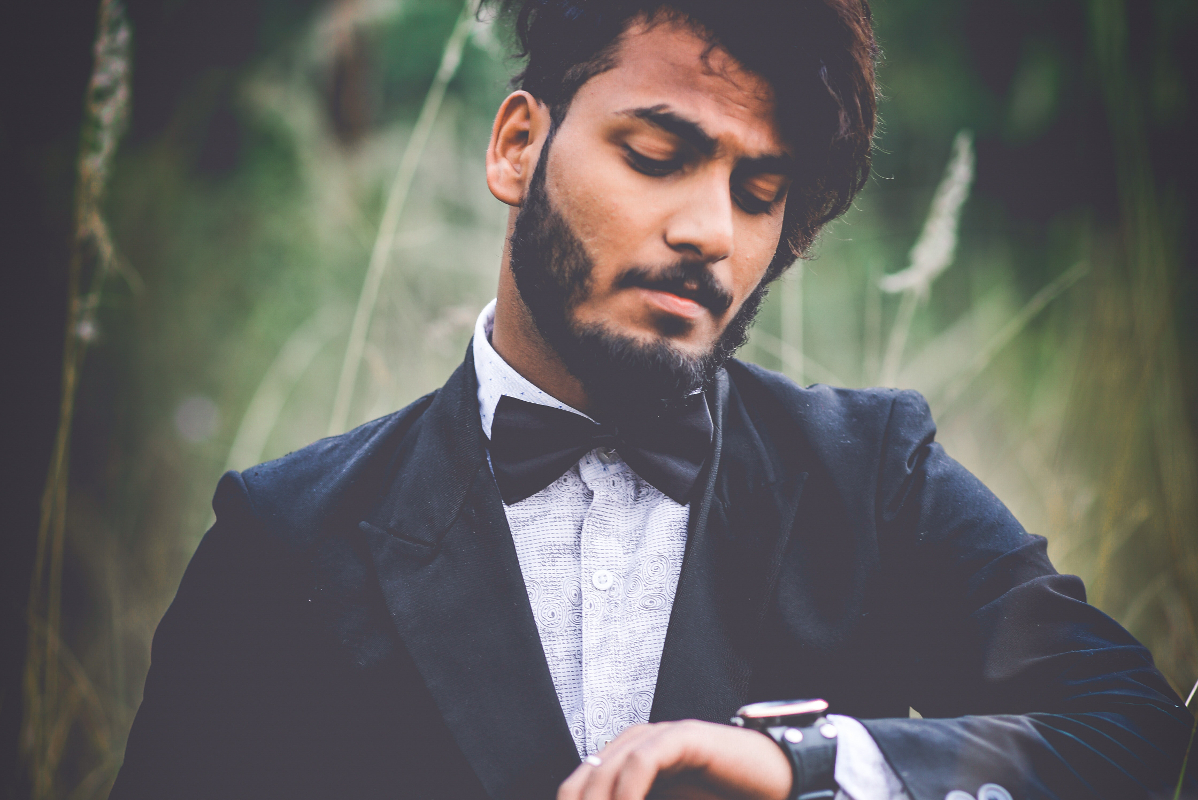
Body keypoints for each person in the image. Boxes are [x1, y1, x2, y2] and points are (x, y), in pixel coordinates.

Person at [109, 1, 1194, 798]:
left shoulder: (873, 474)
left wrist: (803, 763)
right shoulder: (284, 534)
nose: (710, 232)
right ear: (517, 145)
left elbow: (1127, 726)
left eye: (756, 191)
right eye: (657, 152)